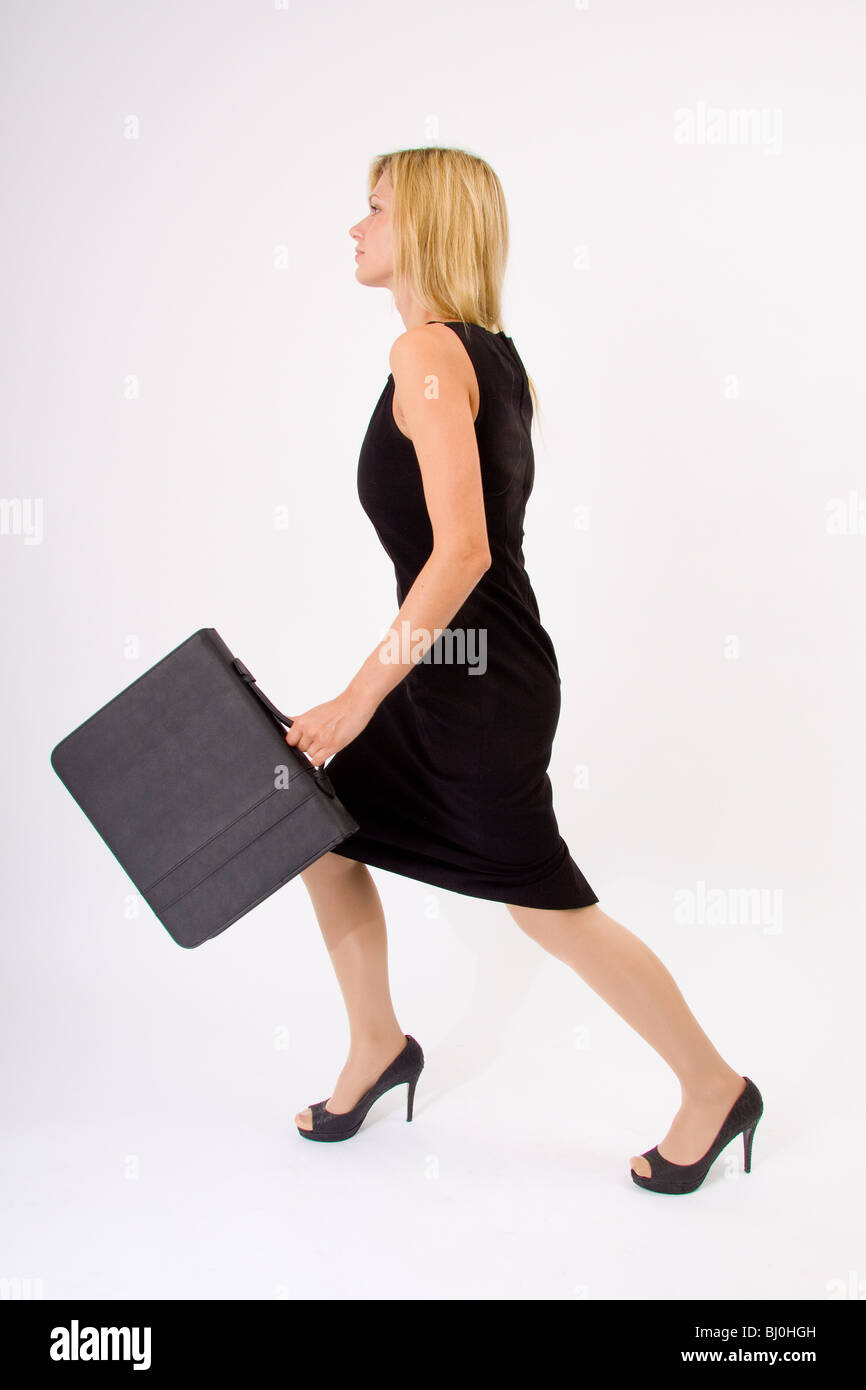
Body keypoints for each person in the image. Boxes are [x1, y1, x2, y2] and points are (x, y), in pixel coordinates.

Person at [284, 147, 762, 1193]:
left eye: (371, 210)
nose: (353, 228)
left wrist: (356, 699)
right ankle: (377, 1045)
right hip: (455, 674)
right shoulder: (488, 353)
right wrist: (378, 696)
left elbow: (462, 555)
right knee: (314, 824)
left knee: (544, 906)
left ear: (424, 231)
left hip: (477, 692)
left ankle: (714, 1087)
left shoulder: (425, 352)